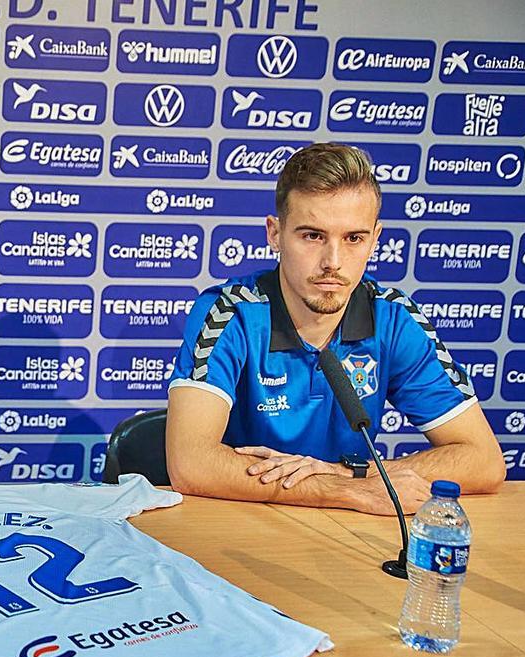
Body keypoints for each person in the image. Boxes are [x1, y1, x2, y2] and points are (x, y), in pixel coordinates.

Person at [165, 143, 504, 515]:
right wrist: (343, 490)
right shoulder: (229, 312)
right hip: (242, 520)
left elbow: (484, 461)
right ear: (275, 234)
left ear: (375, 238)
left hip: (353, 528)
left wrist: (343, 473)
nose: (333, 262)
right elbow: (190, 462)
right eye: (312, 236)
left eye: (353, 238)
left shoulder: (394, 318)